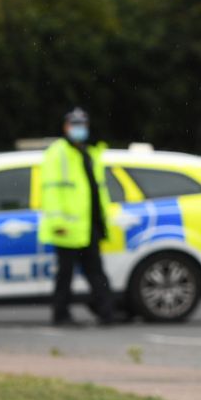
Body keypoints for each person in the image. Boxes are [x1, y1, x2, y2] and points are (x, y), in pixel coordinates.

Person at [35, 107, 119, 326]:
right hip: (66, 226)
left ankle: (106, 312)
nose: (78, 129)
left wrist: (101, 221)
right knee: (65, 274)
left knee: (96, 272)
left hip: (88, 224)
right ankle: (61, 314)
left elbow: (96, 191)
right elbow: (51, 192)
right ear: (65, 127)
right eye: (74, 125)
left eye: (82, 125)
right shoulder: (57, 153)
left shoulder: (90, 153)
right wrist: (58, 223)